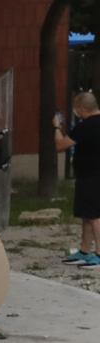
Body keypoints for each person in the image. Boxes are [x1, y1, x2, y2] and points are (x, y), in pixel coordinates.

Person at [56, 92, 100, 267]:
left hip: (91, 176)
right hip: (89, 175)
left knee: (95, 215)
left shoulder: (86, 126)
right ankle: (84, 250)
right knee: (87, 215)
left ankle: (98, 254)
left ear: (82, 108)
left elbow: (60, 145)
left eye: (76, 108)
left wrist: (57, 128)